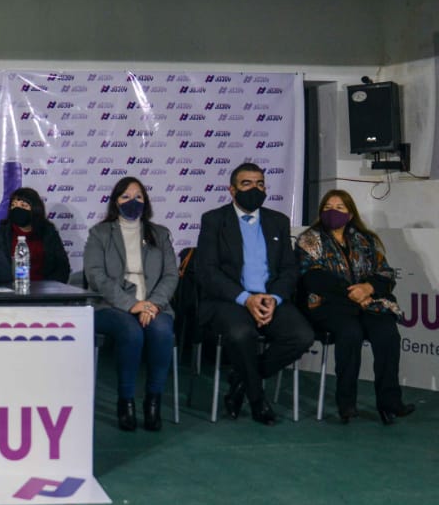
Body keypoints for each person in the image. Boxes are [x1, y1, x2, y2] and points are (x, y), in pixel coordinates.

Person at [194, 163, 313, 425]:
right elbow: (207, 271)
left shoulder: (278, 221)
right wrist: (246, 299)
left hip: (270, 299)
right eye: (246, 183)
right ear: (232, 190)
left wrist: (274, 299)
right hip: (230, 300)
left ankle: (242, 380)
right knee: (241, 335)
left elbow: (289, 269)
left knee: (302, 336)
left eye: (260, 184)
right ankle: (257, 399)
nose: (255, 189)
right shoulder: (214, 220)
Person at [296, 190, 414, 424]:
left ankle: (390, 403)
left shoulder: (365, 240)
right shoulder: (309, 239)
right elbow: (312, 277)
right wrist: (354, 294)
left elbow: (385, 273)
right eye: (328, 207)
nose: (333, 211)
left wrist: (368, 288)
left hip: (369, 303)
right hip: (330, 306)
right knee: (350, 333)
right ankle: (346, 404)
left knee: (387, 334)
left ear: (350, 214)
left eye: (340, 208)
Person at [84, 177, 179, 431]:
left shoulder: (160, 234)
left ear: (145, 201)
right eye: (125, 196)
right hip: (111, 306)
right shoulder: (100, 233)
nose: (132, 201)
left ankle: (153, 401)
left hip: (154, 305)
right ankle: (125, 401)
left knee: (161, 331)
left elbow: (171, 275)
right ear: (115, 202)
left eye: (138, 196)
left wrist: (153, 304)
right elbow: (95, 275)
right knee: (131, 331)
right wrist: (131, 305)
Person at [0, 187, 70, 283]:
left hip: (44, 288)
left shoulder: (48, 232)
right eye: (13, 205)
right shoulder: (3, 233)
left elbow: (62, 267)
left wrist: (50, 287)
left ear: (35, 209)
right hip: (13, 287)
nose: (17, 209)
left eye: (23, 205)